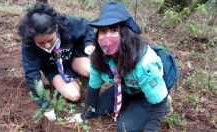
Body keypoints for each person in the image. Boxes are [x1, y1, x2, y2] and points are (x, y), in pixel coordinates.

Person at [72, 2, 171, 131]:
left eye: (114, 30)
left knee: (124, 128)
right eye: (103, 31)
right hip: (126, 87)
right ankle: (129, 102)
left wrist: (151, 128)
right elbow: (93, 87)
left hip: (144, 93)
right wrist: (84, 115)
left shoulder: (144, 64)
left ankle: (166, 99)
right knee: (97, 110)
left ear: (125, 33)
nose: (107, 37)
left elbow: (159, 103)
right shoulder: (99, 57)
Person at [17, 2, 95, 120]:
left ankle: (81, 76)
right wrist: (45, 105)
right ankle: (68, 80)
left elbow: (88, 27)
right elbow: (32, 75)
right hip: (54, 69)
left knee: (91, 71)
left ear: (56, 28)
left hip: (74, 58)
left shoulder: (67, 24)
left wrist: (89, 43)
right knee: (74, 96)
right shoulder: (28, 44)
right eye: (41, 43)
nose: (47, 45)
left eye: (50, 39)